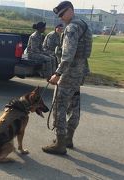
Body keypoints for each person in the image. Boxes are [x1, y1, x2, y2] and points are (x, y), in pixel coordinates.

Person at [42, 1, 92, 155]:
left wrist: (57, 73)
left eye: (63, 14)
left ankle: (60, 143)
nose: (61, 18)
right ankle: (69, 138)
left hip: (69, 72)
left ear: (70, 10)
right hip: (80, 71)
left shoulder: (71, 28)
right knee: (74, 104)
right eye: (59, 15)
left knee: (59, 106)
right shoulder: (83, 24)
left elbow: (68, 55)